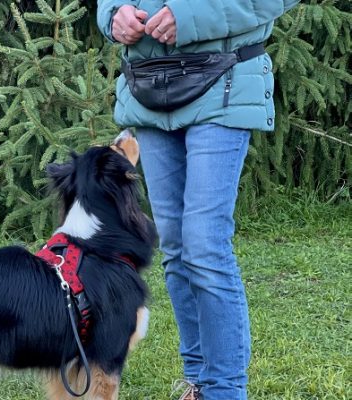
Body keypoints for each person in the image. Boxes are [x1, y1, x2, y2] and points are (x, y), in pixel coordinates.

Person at [96, 1, 300, 399]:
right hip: (150, 86)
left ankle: (224, 391)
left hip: (224, 79)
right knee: (174, 245)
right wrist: (113, 13)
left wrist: (189, 17)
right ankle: (199, 385)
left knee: (204, 244)